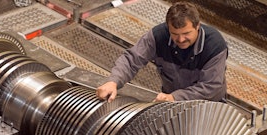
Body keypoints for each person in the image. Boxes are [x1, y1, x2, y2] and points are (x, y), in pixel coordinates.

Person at [96, 1, 228, 103]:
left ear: (197, 26)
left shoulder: (214, 46)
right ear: (168, 27)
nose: (181, 39)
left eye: (186, 33)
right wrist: (113, 81)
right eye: (175, 34)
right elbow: (132, 59)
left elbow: (210, 86)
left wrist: (175, 97)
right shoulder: (158, 36)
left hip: (209, 105)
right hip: (170, 101)